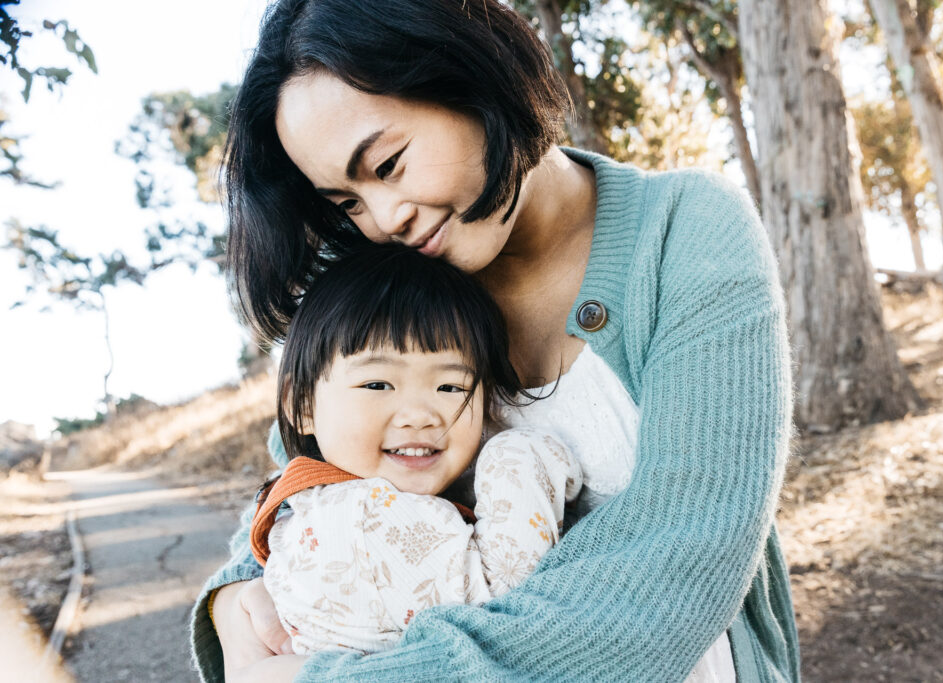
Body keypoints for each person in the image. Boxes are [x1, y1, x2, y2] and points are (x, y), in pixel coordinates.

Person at [191, 0, 800, 681]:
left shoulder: (686, 231)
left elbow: (684, 555)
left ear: (472, 72)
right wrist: (229, 606)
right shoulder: (388, 288)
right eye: (347, 203)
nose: (386, 218)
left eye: (388, 165)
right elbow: (305, 486)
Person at [249, 244, 582, 655]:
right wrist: (522, 457)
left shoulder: (307, 504)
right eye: (377, 384)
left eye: (450, 387)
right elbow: (505, 602)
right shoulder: (364, 518)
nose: (420, 416)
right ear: (301, 406)